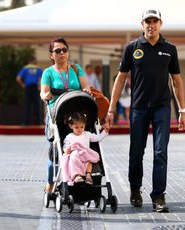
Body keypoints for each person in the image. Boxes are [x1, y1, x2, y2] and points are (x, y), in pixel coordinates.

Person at [105, 9, 185, 212]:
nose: (151, 25)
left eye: (154, 21)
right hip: (139, 108)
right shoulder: (132, 48)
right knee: (136, 152)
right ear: (142, 24)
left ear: (160, 24)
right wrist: (111, 108)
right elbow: (121, 78)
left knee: (160, 152)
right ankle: (135, 190)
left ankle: (158, 196)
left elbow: (176, 81)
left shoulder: (169, 49)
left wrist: (182, 110)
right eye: (147, 21)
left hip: (162, 108)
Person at [40, 37, 91, 193]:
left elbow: (85, 86)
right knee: (55, 151)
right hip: (56, 114)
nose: (61, 53)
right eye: (57, 51)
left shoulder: (76, 69)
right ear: (51, 55)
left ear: (68, 52)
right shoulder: (48, 72)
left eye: (64, 50)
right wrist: (45, 96)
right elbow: (43, 92)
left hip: (76, 115)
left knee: (79, 146)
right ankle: (51, 182)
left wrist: (87, 91)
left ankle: (80, 176)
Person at [62, 112, 108, 185]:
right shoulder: (69, 137)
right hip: (75, 156)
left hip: (85, 155)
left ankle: (88, 175)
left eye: (82, 127)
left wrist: (105, 132)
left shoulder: (87, 134)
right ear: (71, 126)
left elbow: (97, 138)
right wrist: (66, 150)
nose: (79, 129)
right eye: (76, 127)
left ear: (84, 126)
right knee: (73, 156)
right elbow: (65, 146)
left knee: (89, 160)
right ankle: (77, 175)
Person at [16, 56, 43, 125]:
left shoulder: (25, 68)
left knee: (27, 105)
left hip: (28, 88)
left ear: (28, 61)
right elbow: (43, 78)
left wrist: (23, 85)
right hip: (35, 88)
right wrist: (40, 86)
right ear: (34, 61)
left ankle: (26, 122)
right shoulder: (38, 68)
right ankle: (38, 123)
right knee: (37, 106)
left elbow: (18, 78)